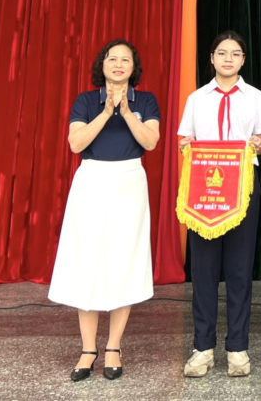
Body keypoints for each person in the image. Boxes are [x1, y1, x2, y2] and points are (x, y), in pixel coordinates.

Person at [50, 39, 161, 382]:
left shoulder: (145, 100)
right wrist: (105, 112)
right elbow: (76, 144)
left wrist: (125, 111)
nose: (118, 64)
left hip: (130, 182)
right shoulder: (86, 101)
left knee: (123, 263)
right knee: (88, 262)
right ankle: (88, 349)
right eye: (112, 58)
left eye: (125, 59)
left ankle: (114, 346)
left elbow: (150, 141)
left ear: (133, 67)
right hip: (91, 181)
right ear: (103, 65)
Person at [178, 31, 261, 378]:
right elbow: (185, 138)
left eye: (235, 54)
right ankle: (202, 347)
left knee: (239, 269)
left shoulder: (256, 97)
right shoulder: (197, 98)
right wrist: (186, 144)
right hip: (204, 188)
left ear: (243, 60)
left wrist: (258, 144)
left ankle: (237, 348)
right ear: (212, 58)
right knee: (203, 270)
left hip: (243, 186)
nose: (228, 59)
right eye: (221, 53)